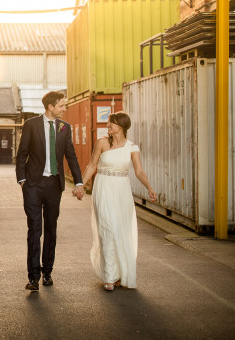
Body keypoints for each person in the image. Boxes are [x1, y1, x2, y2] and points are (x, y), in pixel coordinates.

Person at [16, 91, 85, 291]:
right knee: (35, 230)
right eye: (62, 105)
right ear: (51, 107)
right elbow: (22, 154)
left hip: (55, 186)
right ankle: (33, 277)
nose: (65, 109)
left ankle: (47, 273)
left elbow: (71, 157)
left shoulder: (65, 128)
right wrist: (22, 180)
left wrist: (79, 183)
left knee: (51, 230)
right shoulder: (31, 125)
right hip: (33, 186)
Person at [81, 111, 157, 291]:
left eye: (111, 123)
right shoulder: (101, 143)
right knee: (107, 229)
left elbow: (139, 172)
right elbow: (92, 165)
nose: (108, 126)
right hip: (103, 188)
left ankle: (121, 275)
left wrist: (149, 188)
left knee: (121, 231)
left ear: (121, 126)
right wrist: (80, 185)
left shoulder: (132, 147)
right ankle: (109, 276)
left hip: (122, 191)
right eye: (108, 123)